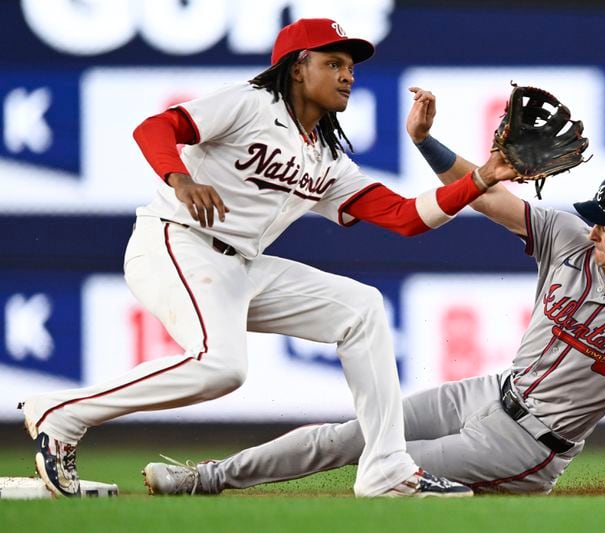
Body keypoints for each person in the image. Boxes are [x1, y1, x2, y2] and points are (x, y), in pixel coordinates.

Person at [140, 87, 605, 496]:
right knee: (348, 436)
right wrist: (423, 142)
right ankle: (204, 479)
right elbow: (488, 195)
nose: (593, 224)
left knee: (388, 473)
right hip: (488, 393)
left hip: (528, 445)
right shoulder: (573, 239)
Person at [18, 20, 520, 499]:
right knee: (222, 367)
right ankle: (63, 412)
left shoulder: (325, 156)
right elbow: (156, 127)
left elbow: (405, 216)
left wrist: (480, 179)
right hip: (176, 241)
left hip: (241, 266)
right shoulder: (251, 103)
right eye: (335, 62)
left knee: (361, 308)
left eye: (351, 66)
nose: (348, 75)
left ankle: (387, 466)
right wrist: (181, 179)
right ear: (299, 67)